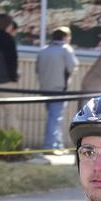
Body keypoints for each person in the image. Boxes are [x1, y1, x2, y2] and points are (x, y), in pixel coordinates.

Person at [34, 25, 79, 154]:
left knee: (55, 117)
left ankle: (58, 145)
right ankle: (50, 146)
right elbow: (72, 67)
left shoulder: (43, 50)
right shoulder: (65, 49)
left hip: (45, 88)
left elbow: (37, 69)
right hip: (59, 89)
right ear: (65, 37)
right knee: (55, 118)